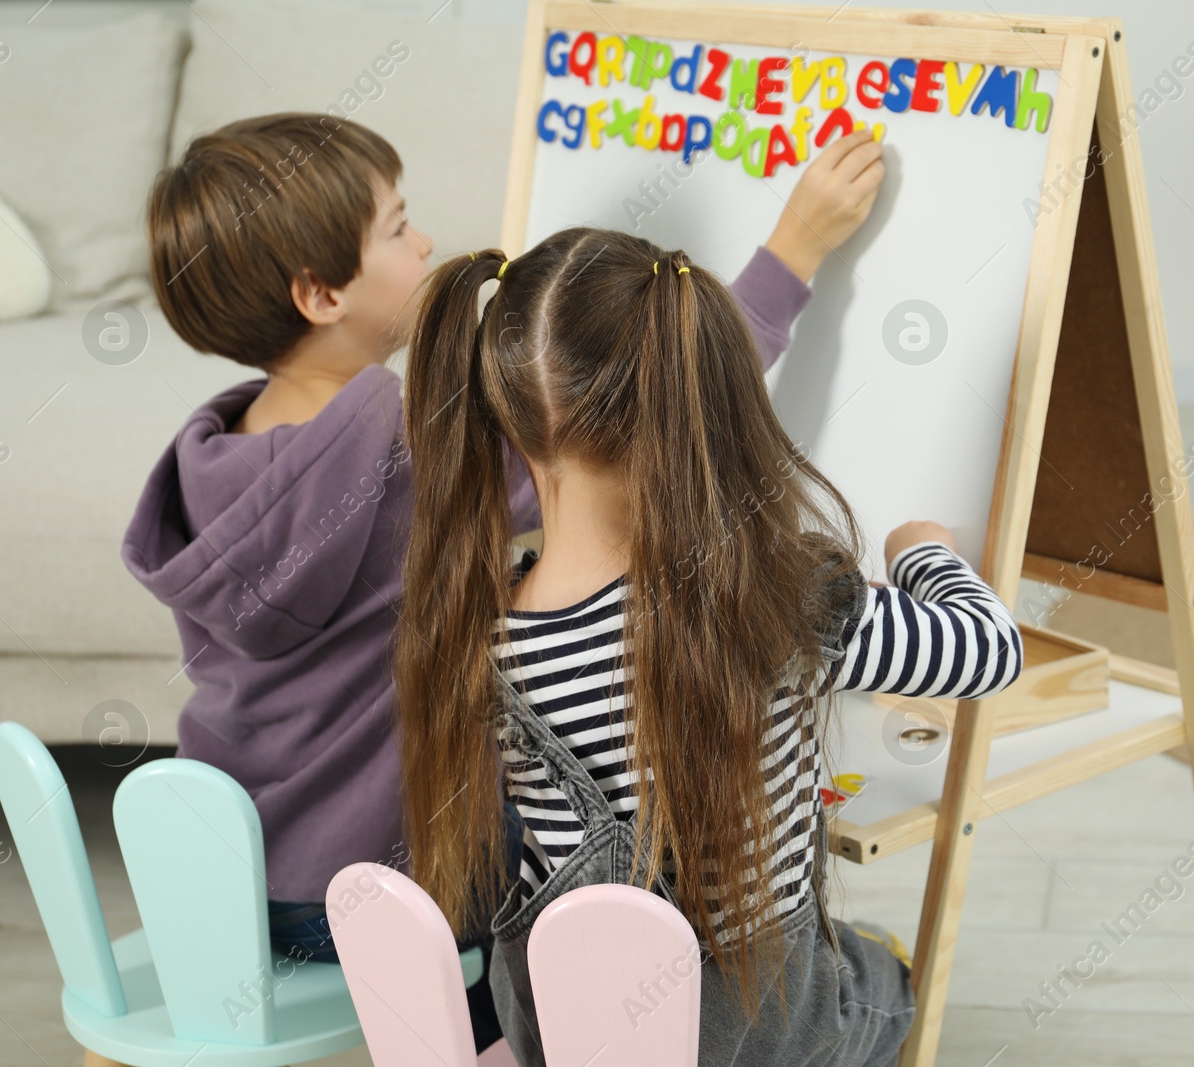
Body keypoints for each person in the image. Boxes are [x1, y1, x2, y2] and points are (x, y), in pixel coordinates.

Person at [119, 112, 884, 1065]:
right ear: (319, 293)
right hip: (373, 899)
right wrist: (790, 252)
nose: (426, 239)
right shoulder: (391, 453)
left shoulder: (211, 458)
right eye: (396, 226)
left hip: (231, 886)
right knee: (554, 816)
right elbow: (610, 429)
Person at [392, 225, 1024, 1066]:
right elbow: (988, 652)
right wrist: (924, 551)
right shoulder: (772, 601)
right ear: (702, 406)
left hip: (565, 1025)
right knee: (887, 974)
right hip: (752, 1034)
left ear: (503, 411)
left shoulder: (480, 631)